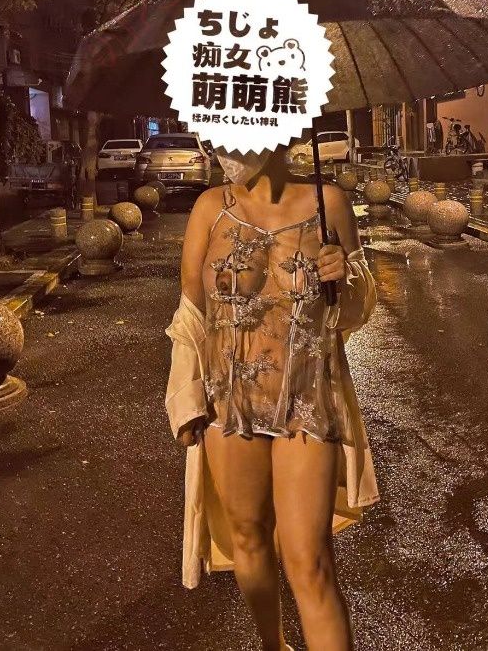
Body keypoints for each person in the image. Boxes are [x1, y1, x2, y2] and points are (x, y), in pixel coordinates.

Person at [165, 143, 379, 651]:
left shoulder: (328, 203)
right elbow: (192, 313)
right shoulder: (209, 208)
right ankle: (272, 644)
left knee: (310, 559)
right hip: (228, 404)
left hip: (307, 400)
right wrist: (185, 397)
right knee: (249, 539)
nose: (223, 147)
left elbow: (355, 310)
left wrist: (344, 279)